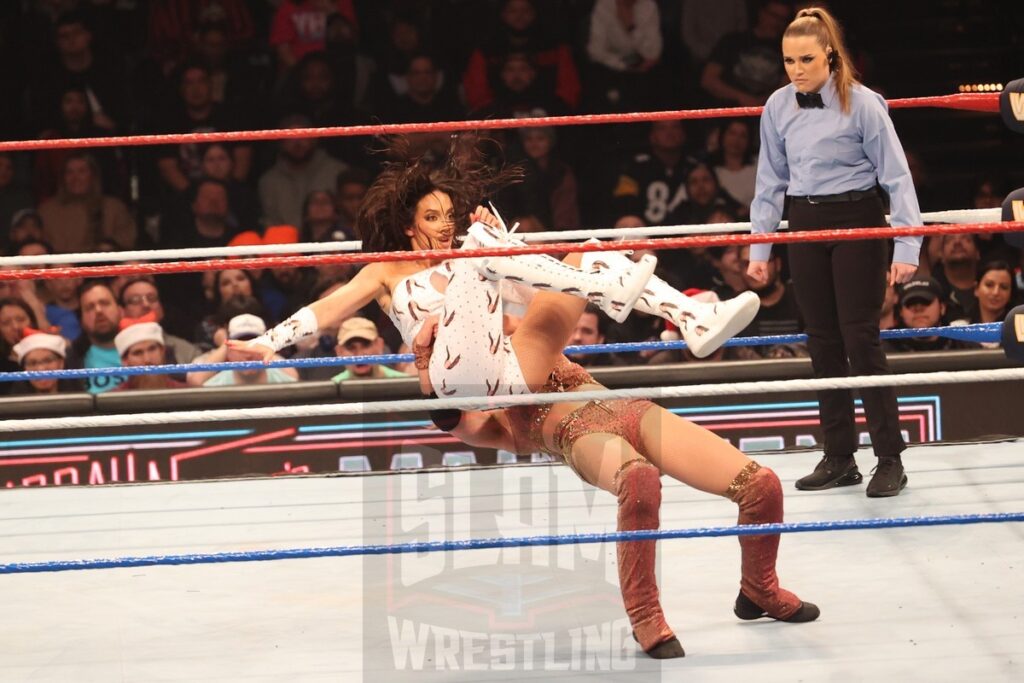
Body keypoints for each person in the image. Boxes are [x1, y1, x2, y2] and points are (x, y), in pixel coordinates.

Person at [231, 142, 801, 657]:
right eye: (432, 218)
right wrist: (269, 344)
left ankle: (759, 587)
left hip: (567, 378)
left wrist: (507, 246)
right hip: (504, 393)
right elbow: (330, 310)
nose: (443, 227)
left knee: (761, 485)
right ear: (408, 225)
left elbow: (541, 292)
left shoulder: (479, 268)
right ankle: (646, 616)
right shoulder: (389, 272)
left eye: (448, 218)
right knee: (639, 481)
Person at [747, 7, 922, 497]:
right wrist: (760, 245)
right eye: (787, 60)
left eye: (805, 59)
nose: (796, 70)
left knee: (859, 337)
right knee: (822, 340)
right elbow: (769, 181)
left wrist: (907, 245)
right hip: (804, 221)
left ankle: (890, 457)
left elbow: (896, 176)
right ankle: (839, 456)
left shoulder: (864, 104)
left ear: (829, 54)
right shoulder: (777, 106)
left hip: (857, 218)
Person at [112, 314, 188, 391]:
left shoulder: (186, 393)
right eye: (138, 353)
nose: (147, 359)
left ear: (162, 351)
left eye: (152, 349)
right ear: (124, 361)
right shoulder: (112, 399)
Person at [331, 317, 409, 382]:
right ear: (339, 351)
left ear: (379, 345)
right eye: (351, 347)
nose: (360, 355)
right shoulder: (332, 389)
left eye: (366, 345)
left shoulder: (406, 383)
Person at [10, 327, 83, 395]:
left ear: (61, 363)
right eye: (32, 363)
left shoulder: (83, 403)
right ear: (24, 369)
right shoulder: (12, 406)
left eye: (48, 361)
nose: (40, 369)